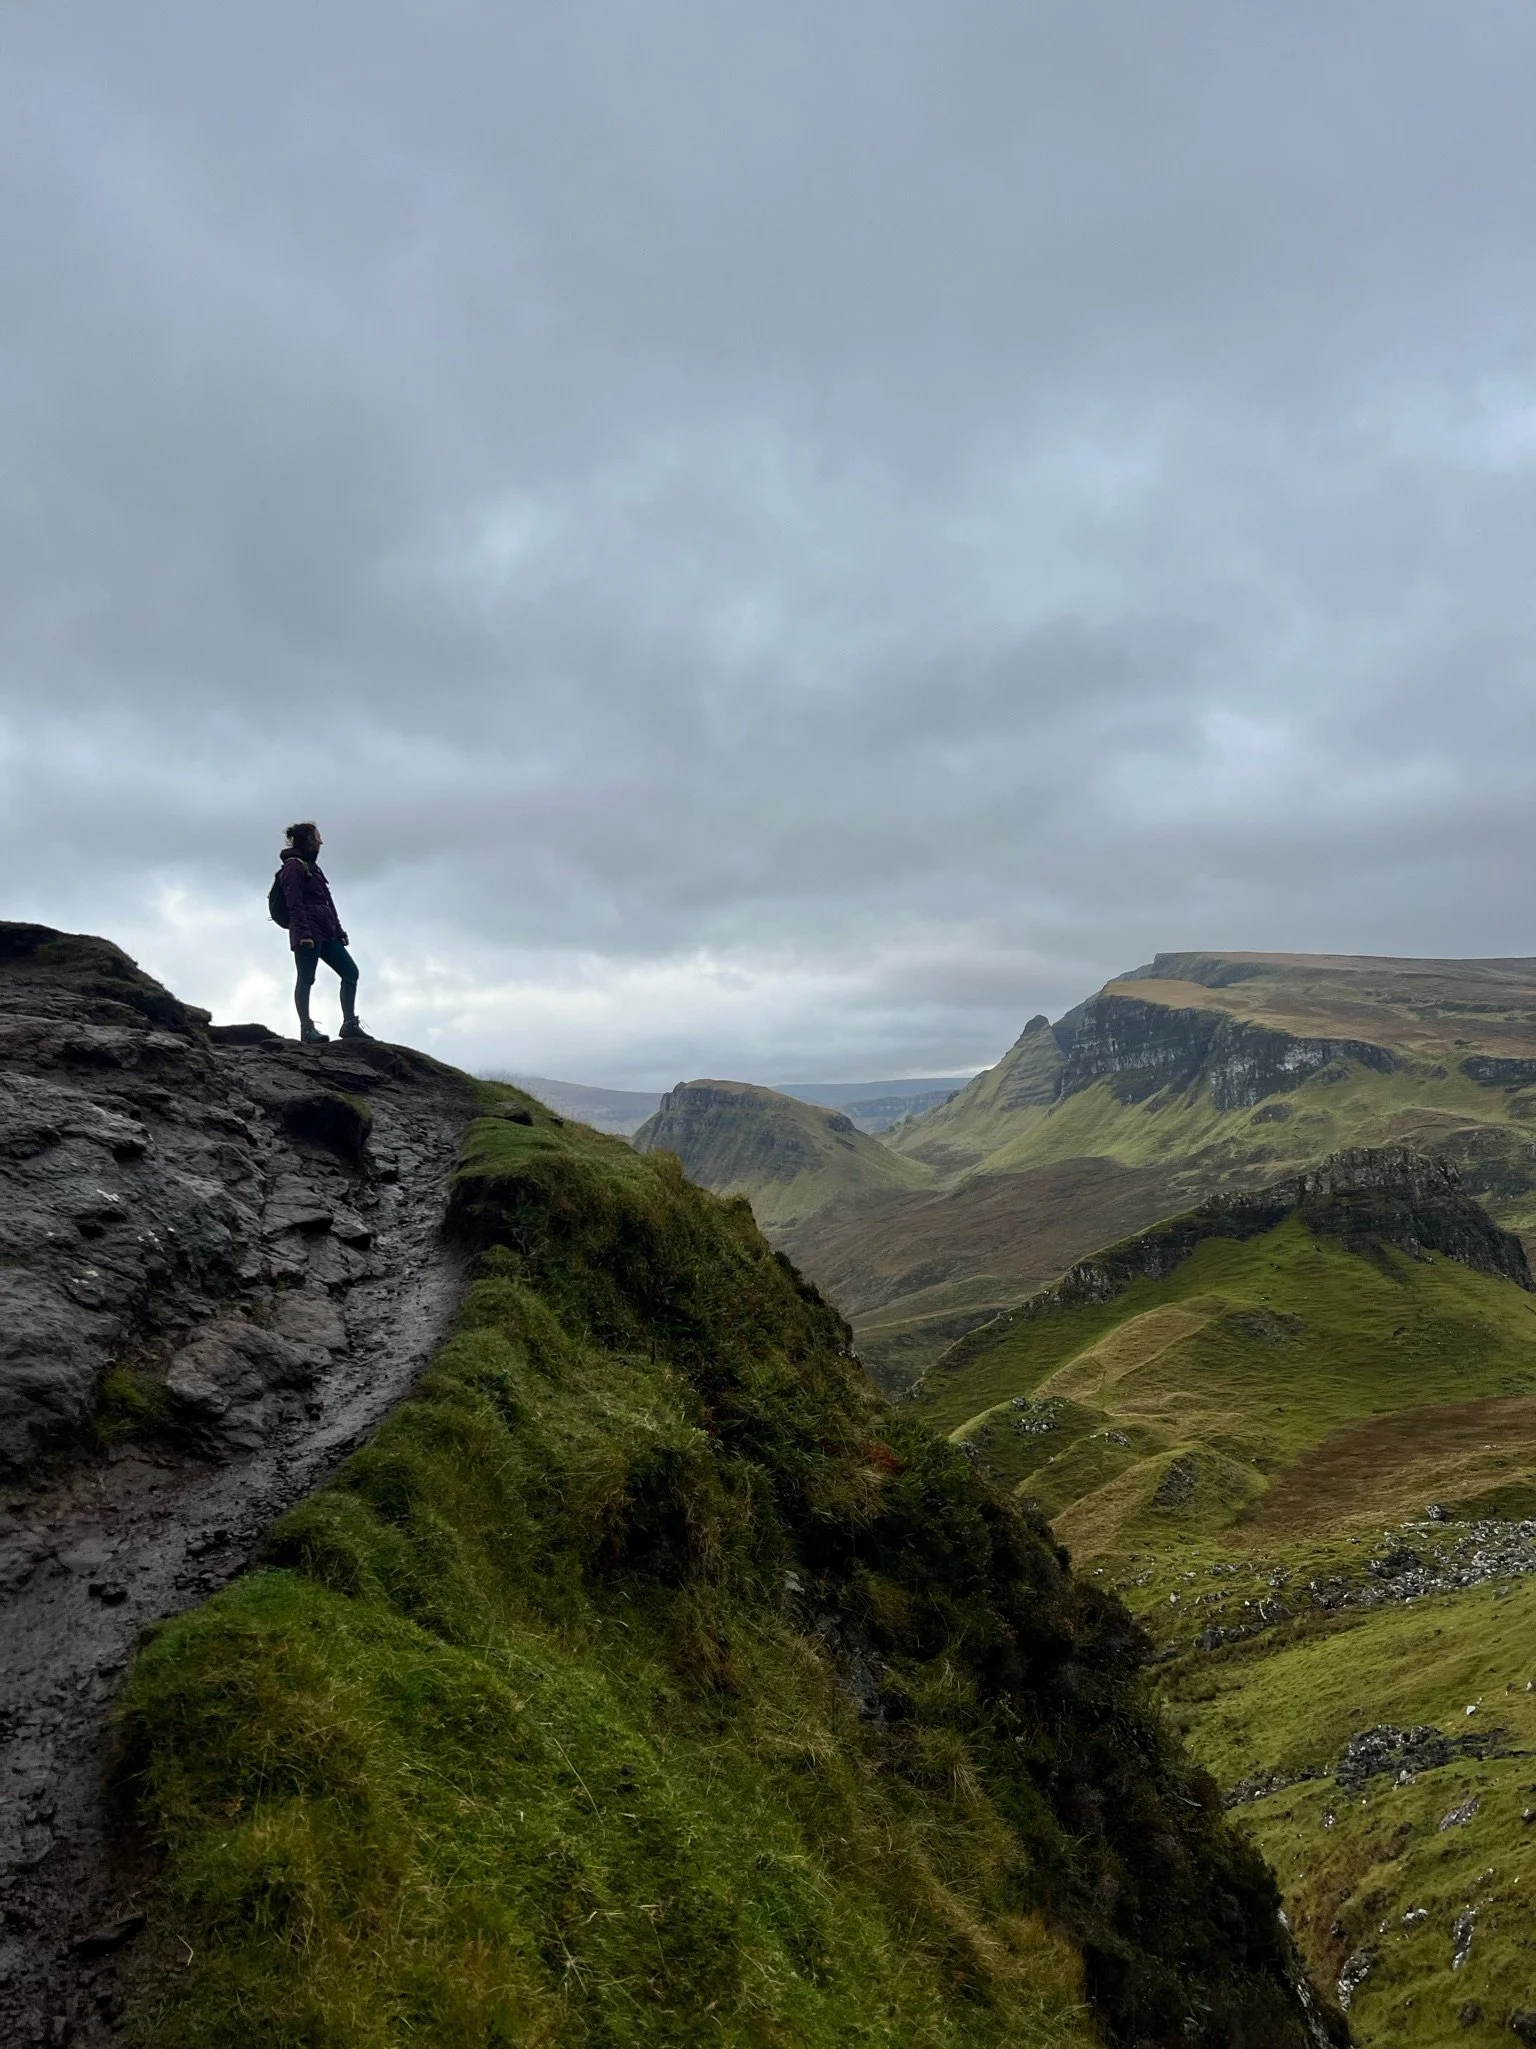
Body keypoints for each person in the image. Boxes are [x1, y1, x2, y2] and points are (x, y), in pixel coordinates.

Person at [276, 821, 372, 1044]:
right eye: (317, 836)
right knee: (306, 979)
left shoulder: (313, 868)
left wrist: (338, 930)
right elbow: (294, 903)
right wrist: (303, 934)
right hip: (308, 935)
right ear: (308, 840)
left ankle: (349, 1024)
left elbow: (327, 901)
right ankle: (306, 1029)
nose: (321, 841)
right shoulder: (293, 867)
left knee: (350, 972)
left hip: (327, 933)